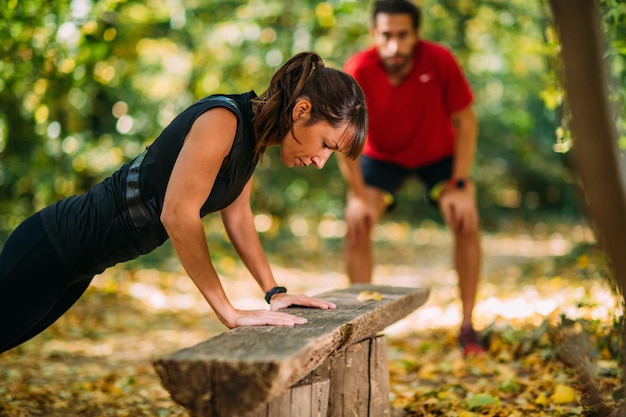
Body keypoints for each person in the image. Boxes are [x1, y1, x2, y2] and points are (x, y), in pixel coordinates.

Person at [0, 51, 368, 355]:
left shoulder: (254, 140)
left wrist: (275, 292)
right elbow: (178, 215)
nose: (321, 162)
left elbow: (238, 215)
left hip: (83, 262)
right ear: (302, 110)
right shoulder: (223, 120)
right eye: (326, 145)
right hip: (53, 243)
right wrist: (229, 312)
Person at [337, 0, 484, 356]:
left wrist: (461, 185)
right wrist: (357, 197)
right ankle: (360, 328)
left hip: (438, 157)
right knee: (357, 224)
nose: (394, 46)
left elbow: (466, 122)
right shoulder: (359, 68)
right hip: (382, 158)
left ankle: (468, 327)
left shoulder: (440, 60)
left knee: (466, 219)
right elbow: (343, 137)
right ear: (374, 34)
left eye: (403, 36)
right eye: (386, 35)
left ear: (416, 35)